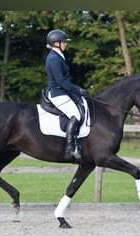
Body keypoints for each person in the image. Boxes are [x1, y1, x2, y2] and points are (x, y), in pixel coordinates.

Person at [45, 29, 87, 160]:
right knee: (76, 115)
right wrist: (78, 90)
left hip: (62, 92)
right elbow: (60, 81)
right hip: (57, 93)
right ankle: (69, 149)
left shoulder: (58, 55)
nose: (66, 44)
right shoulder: (53, 58)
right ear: (56, 43)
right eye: (64, 42)